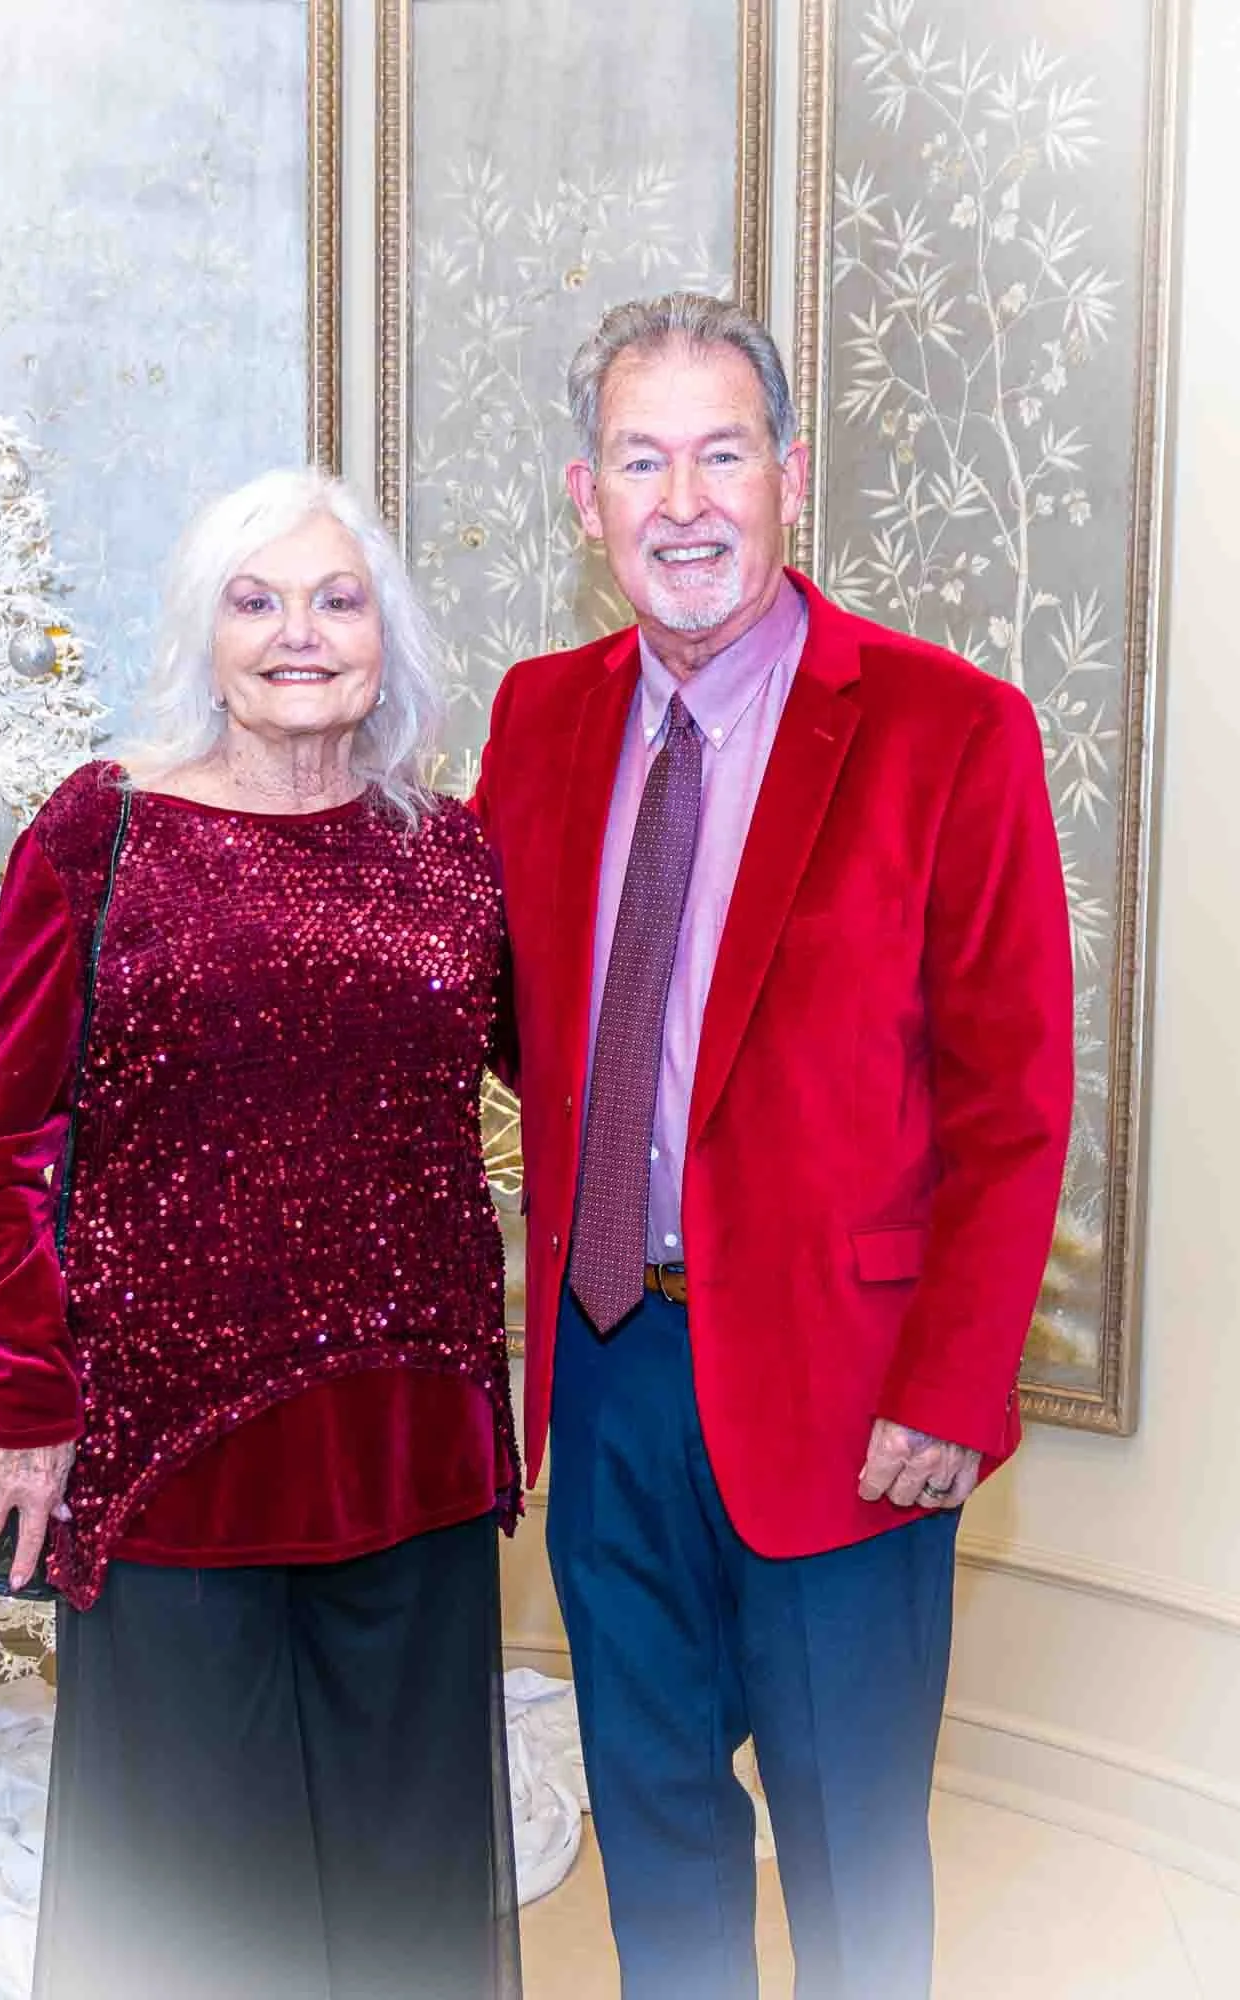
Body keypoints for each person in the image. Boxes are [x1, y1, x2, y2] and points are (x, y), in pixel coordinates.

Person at [474, 293, 1074, 1998]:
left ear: (790, 477)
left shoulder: (948, 729)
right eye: (641, 457)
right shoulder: (536, 720)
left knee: (852, 1857)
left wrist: (955, 1391)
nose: (685, 500)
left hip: (854, 1397)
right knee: (657, 1841)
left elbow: (1015, 1098)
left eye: (721, 452)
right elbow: (469, 987)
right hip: (601, 1384)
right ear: (585, 498)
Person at [0, 469, 523, 2000]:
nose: (297, 635)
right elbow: (0, 1142)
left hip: (412, 1445)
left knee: (406, 1888)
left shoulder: (453, 857)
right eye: (254, 601)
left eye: (336, 600)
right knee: (199, 1904)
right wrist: (25, 1402)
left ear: (383, 639)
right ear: (203, 637)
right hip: (172, 1461)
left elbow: (602, 1084)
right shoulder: (102, 833)